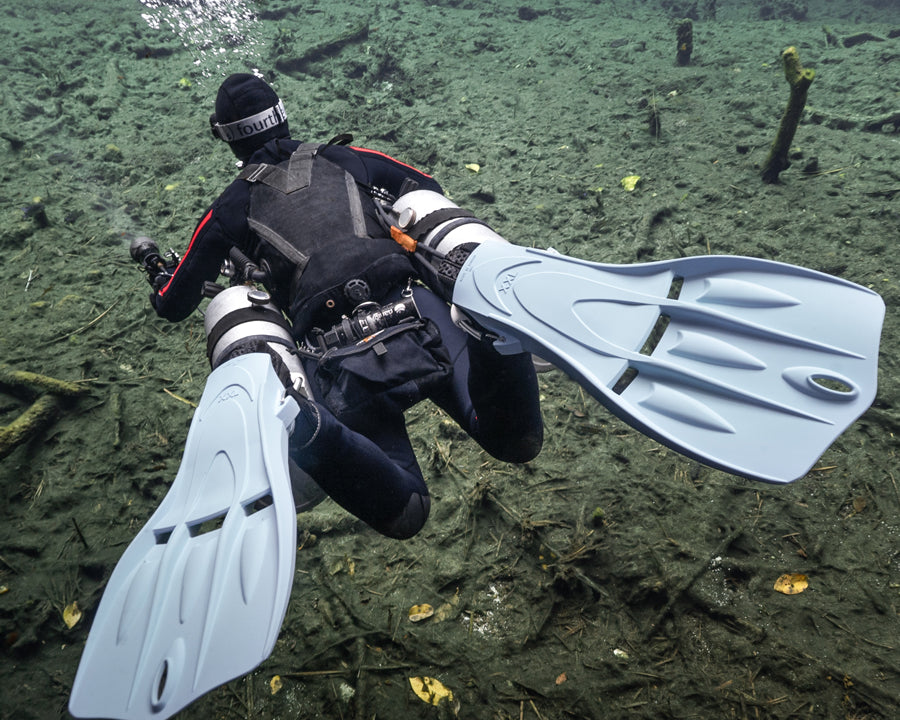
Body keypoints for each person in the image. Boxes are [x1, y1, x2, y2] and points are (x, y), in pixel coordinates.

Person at [145, 73, 543, 539]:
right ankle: (492, 338)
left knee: (407, 512)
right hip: (420, 312)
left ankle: (308, 427)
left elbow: (172, 303)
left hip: (334, 357)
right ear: (282, 114)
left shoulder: (225, 211)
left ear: (228, 139)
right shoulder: (350, 157)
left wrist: (158, 273)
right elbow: (424, 187)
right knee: (516, 442)